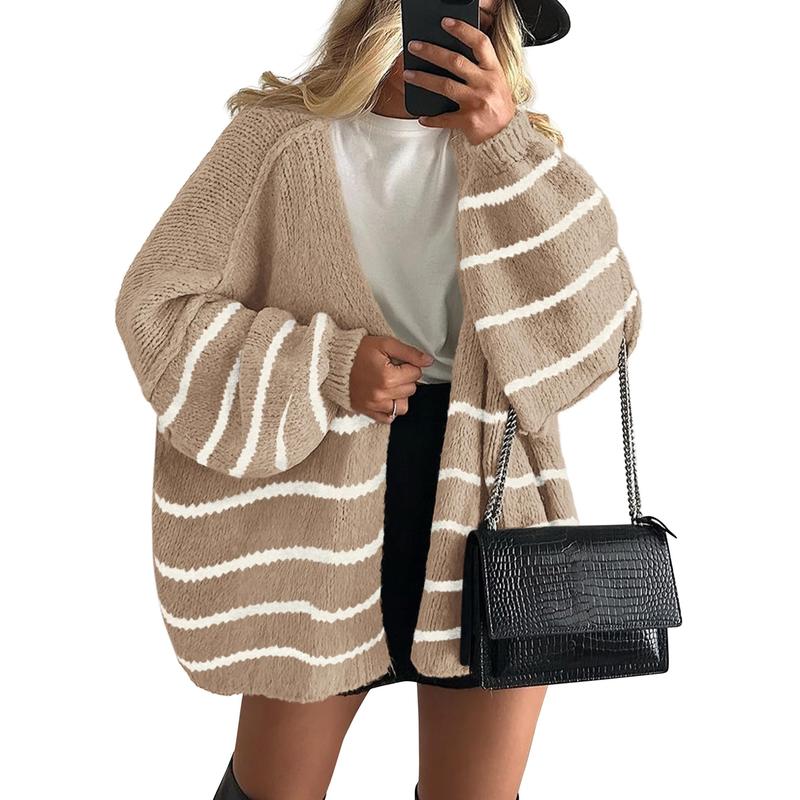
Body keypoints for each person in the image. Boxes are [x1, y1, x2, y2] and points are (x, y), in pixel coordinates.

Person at [115, 2, 642, 798]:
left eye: (483, 5)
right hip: (312, 497)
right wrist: (328, 365)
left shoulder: (522, 153)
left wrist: (505, 145)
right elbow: (155, 307)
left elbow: (605, 330)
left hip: (487, 504)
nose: (460, 19)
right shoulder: (274, 140)